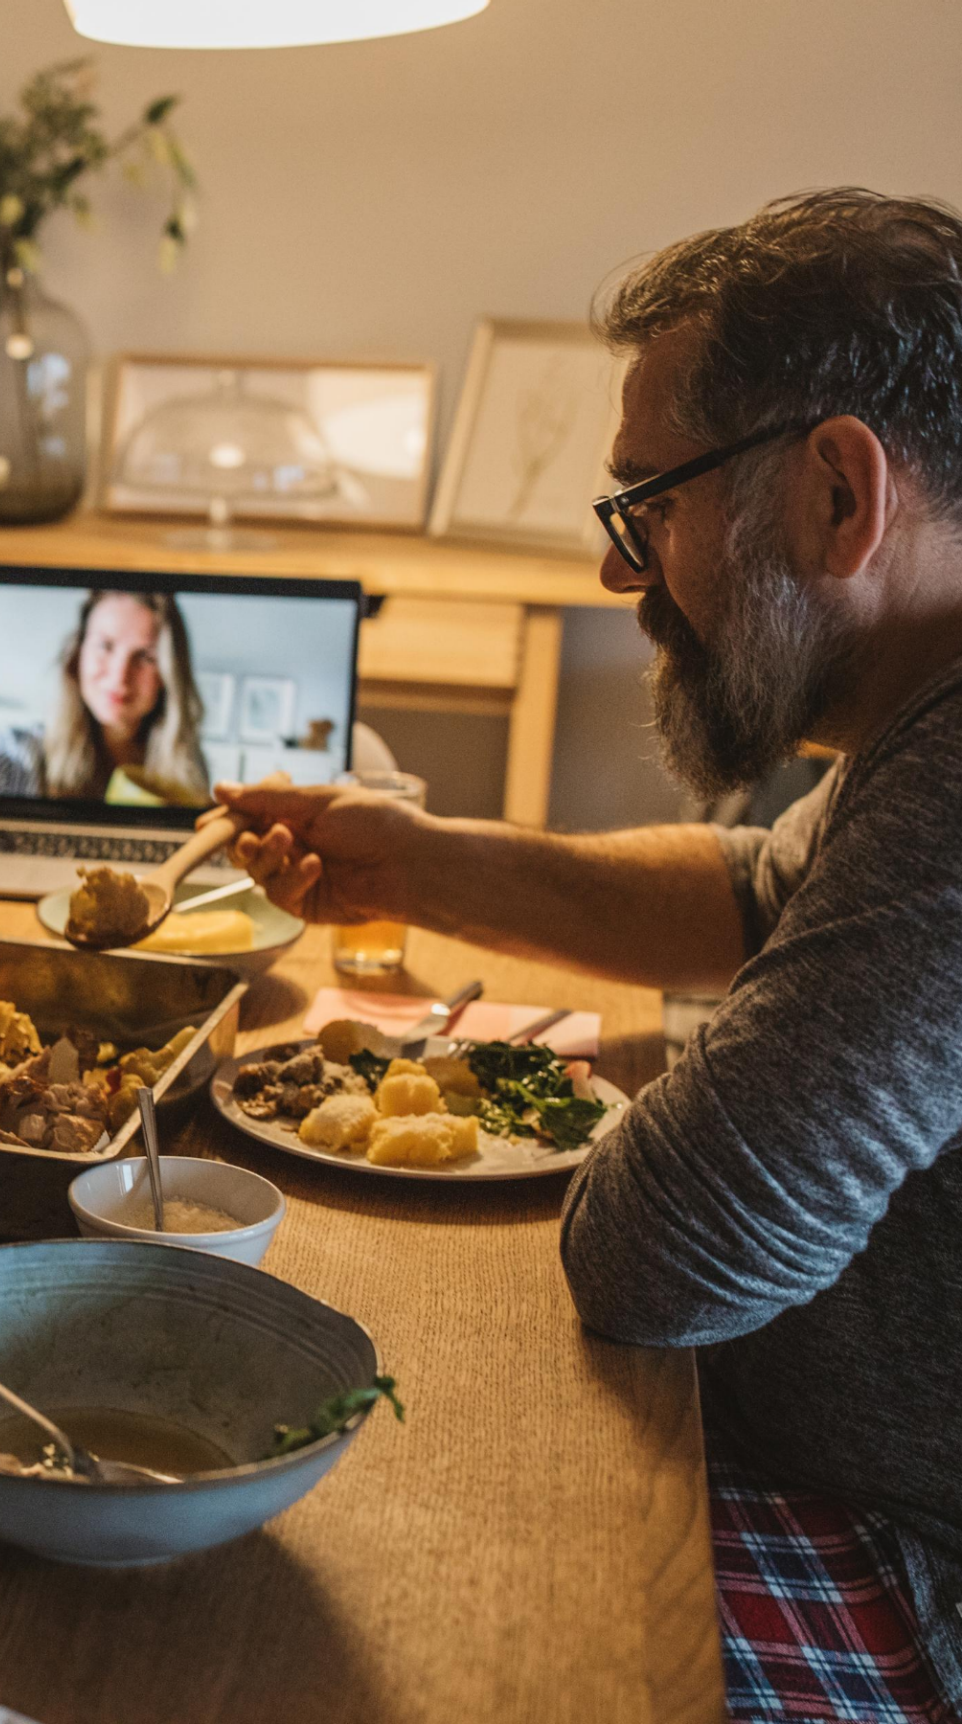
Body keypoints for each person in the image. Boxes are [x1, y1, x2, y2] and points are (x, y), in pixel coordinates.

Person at [217, 190, 962, 1714]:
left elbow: (663, 1256)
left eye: (653, 503)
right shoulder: (920, 725)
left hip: (905, 1568)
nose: (627, 572)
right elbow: (768, 894)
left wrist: (672, 1076)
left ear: (839, 492)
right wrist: (419, 864)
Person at [0, 589, 209, 806]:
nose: (119, 676)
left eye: (145, 657)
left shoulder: (187, 771)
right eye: (105, 646)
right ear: (77, 655)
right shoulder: (15, 756)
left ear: (169, 676)